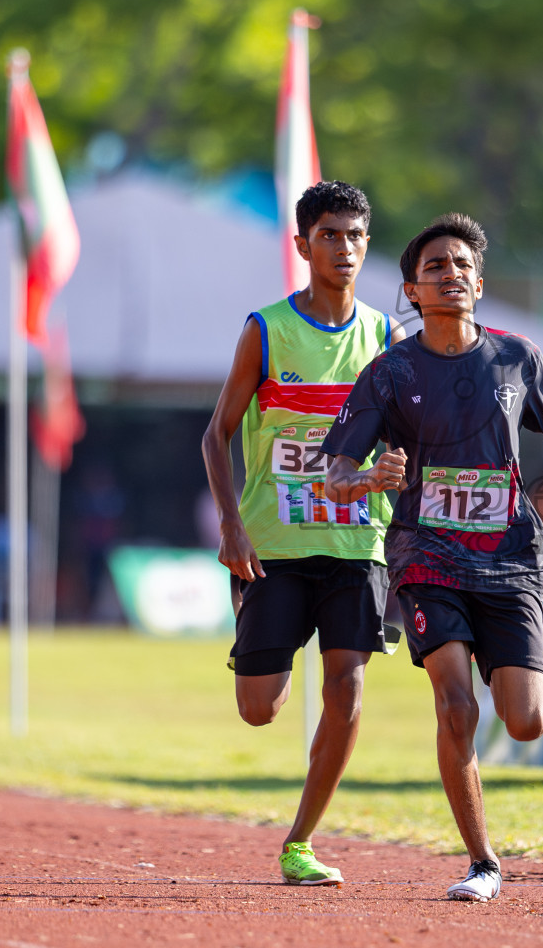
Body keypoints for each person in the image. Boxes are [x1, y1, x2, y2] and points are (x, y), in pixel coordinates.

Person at [322, 213, 543, 903]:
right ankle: (483, 861)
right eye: (435, 266)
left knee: (526, 720)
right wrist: (369, 478)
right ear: (412, 289)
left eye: (462, 265)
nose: (451, 275)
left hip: (508, 559)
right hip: (426, 556)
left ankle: (502, 694)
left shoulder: (516, 358)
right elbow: (334, 472)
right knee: (455, 705)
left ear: (479, 281)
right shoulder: (390, 371)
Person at [199, 181, 404, 887]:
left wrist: (395, 472)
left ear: (366, 244)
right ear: (303, 245)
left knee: (345, 686)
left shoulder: (385, 337)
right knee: (261, 708)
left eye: (354, 236)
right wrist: (230, 522)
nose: (343, 248)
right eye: (329, 236)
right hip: (274, 544)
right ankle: (250, 621)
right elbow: (215, 433)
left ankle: (301, 841)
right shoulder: (266, 330)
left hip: (355, 546)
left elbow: (403, 441)